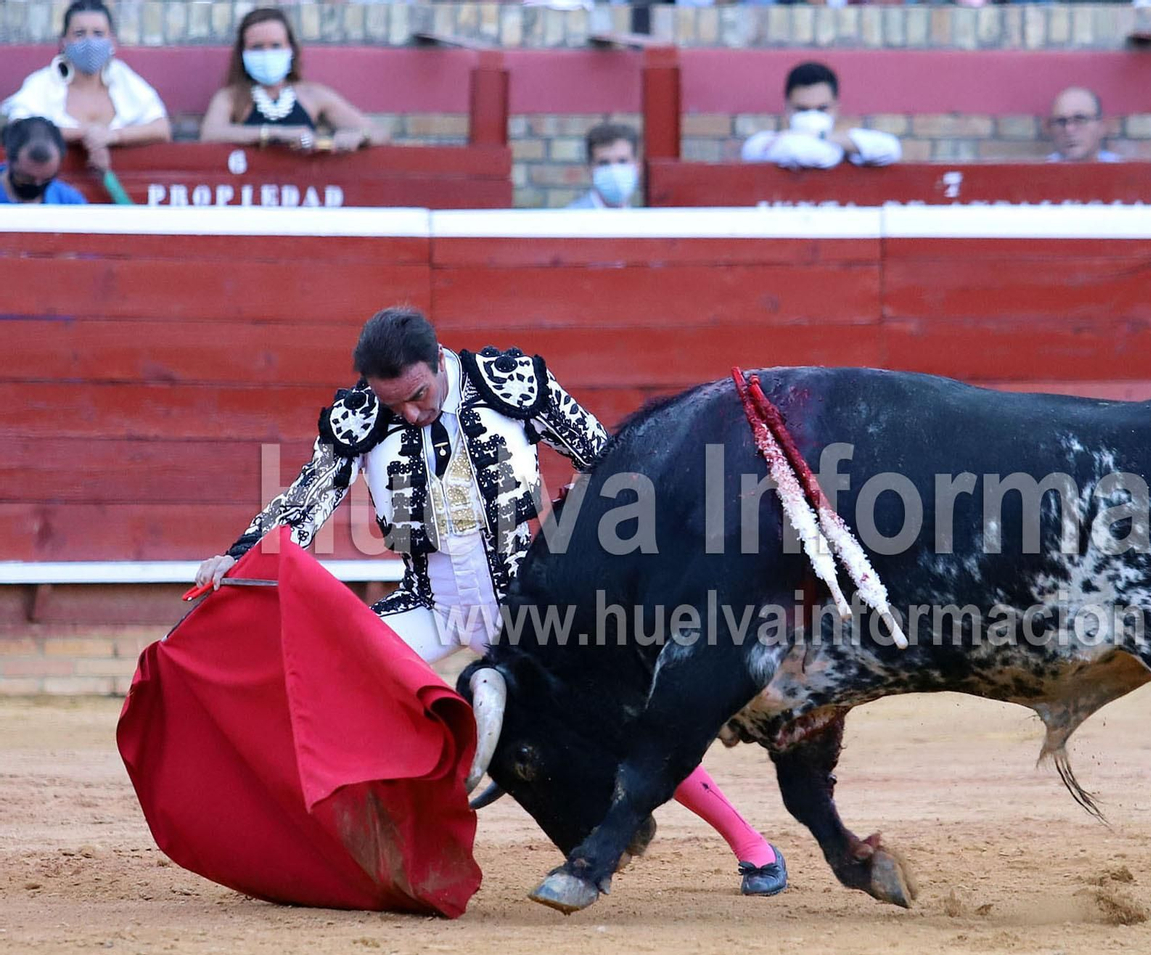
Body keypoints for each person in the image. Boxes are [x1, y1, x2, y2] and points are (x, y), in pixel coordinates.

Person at [192, 308, 788, 898]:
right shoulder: (359, 417)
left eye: (418, 396)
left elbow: (611, 466)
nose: (408, 412)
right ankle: (336, 851)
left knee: (631, 722)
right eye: (393, 403)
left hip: (524, 610)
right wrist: (239, 556)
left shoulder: (509, 384)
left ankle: (750, 844)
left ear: (437, 362)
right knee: (326, 686)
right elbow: (307, 499)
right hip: (429, 604)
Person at [1, 0, 170, 173]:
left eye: (98, 33)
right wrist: (85, 135)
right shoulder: (45, 82)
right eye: (80, 33)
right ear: (64, 41)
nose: (90, 42)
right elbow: (18, 126)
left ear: (111, 41)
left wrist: (113, 136)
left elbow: (161, 128)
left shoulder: (123, 79)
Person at [199, 7, 385, 153]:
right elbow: (210, 134)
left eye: (276, 46)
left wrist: (361, 137)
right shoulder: (231, 97)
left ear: (291, 49)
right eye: (257, 47)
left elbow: (381, 134)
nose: (267, 54)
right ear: (242, 53)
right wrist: (277, 134)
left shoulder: (313, 95)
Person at [740, 61, 901, 170]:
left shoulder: (847, 143)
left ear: (836, 108)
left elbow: (891, 149)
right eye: (802, 110)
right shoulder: (763, 142)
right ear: (787, 109)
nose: (812, 117)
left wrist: (822, 136)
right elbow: (809, 153)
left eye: (822, 109)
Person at [0, 118, 87, 205]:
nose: (37, 184)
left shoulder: (69, 202)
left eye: (47, 179)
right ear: (9, 159)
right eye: (27, 178)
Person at [566, 123, 640, 209]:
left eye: (622, 161)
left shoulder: (645, 219)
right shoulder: (571, 218)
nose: (614, 171)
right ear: (589, 169)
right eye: (604, 163)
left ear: (637, 166)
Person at [1046, 87, 1119, 163]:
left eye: (1080, 119)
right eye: (1061, 121)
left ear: (1102, 126)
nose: (1069, 129)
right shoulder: (1040, 172)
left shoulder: (1123, 171)